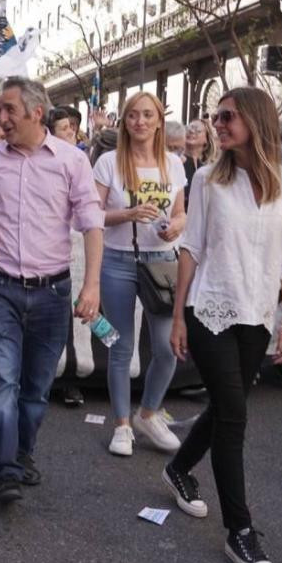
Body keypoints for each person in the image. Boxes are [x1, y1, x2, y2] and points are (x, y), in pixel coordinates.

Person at [160, 87, 282, 563]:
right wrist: (178, 315)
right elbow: (191, 248)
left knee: (224, 408)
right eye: (214, 117)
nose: (217, 124)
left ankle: (179, 468)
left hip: (258, 315)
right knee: (235, 417)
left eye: (227, 116)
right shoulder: (206, 179)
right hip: (209, 309)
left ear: (256, 121)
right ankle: (240, 531)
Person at [0, 77, 104, 504]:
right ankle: (5, 469)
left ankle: (23, 452)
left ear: (35, 113)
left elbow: (92, 223)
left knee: (36, 389)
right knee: (1, 382)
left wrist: (91, 285)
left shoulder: (72, 161)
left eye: (8, 110)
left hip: (52, 293)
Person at [93, 92, 187, 456]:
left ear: (159, 120)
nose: (140, 122)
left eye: (148, 115)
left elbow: (181, 212)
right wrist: (128, 215)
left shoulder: (173, 164)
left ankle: (148, 413)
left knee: (167, 349)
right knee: (120, 345)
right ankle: (121, 425)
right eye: (133, 115)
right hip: (117, 260)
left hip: (162, 263)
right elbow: (91, 215)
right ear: (124, 121)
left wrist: (177, 225)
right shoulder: (108, 163)